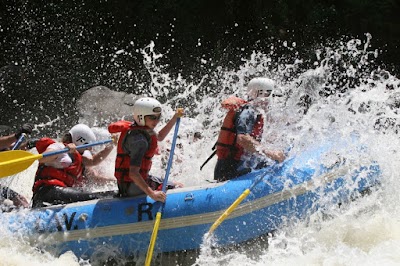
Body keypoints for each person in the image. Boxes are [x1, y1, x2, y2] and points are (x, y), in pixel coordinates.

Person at [108, 97, 184, 203]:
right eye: (153, 117)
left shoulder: (142, 129)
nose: (156, 121)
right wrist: (153, 194)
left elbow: (160, 136)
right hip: (131, 187)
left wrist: (175, 118)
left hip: (134, 182)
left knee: (178, 184)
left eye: (158, 117)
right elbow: (133, 173)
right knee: (177, 188)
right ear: (140, 117)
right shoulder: (139, 141)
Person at [214, 77, 286, 182]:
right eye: (268, 94)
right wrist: (270, 153)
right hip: (230, 170)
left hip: (236, 165)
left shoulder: (255, 111)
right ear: (258, 94)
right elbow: (242, 138)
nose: (271, 99)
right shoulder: (248, 112)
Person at [31, 124, 116, 208]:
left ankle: (116, 194)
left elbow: (93, 161)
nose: (90, 149)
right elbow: (42, 158)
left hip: (58, 194)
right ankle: (115, 195)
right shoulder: (58, 147)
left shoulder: (78, 158)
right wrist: (64, 150)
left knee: (91, 195)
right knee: (91, 197)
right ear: (79, 140)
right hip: (48, 192)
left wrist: (111, 146)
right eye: (88, 145)